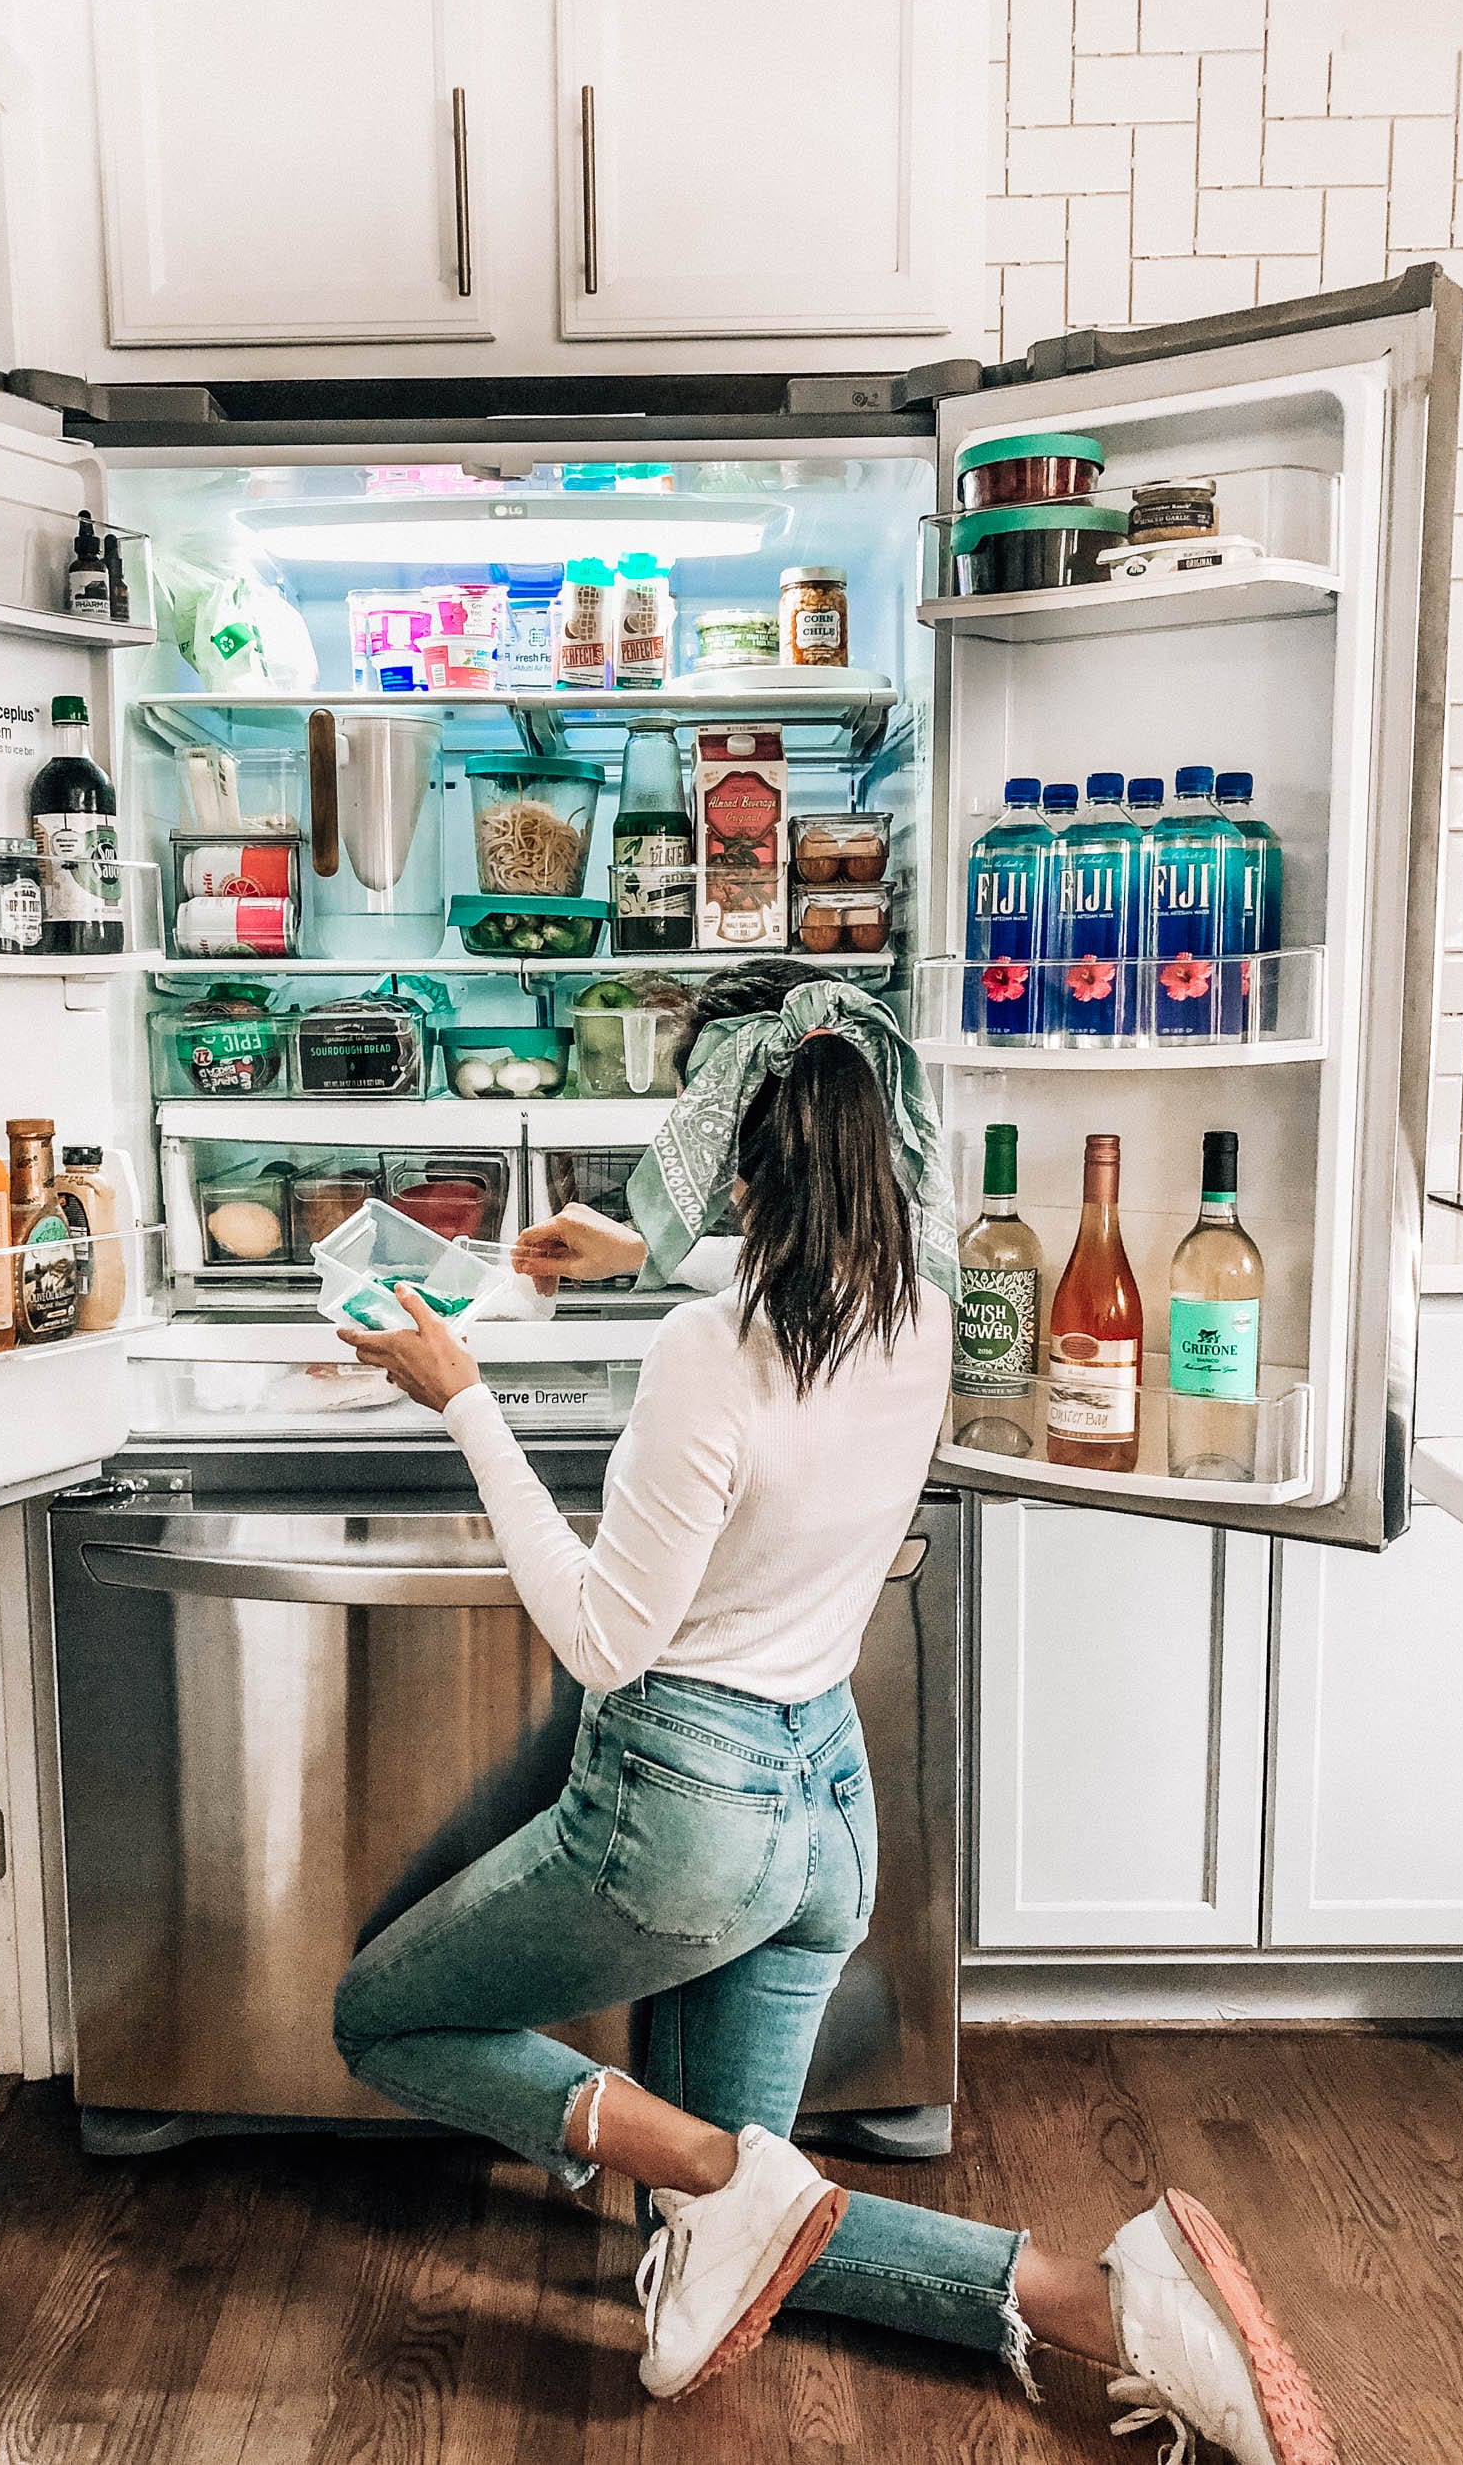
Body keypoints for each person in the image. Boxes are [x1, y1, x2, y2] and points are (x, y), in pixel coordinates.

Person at [333, 965, 1333, 2464]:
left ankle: (708, 2172)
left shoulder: (708, 1354)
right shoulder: (923, 1308)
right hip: (825, 1818)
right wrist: (622, 1258)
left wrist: (462, 1395)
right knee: (744, 2222)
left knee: (386, 2015)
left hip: (681, 1817)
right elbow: (787, 1303)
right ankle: (1109, 2304)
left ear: (733, 1152)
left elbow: (608, 1639)